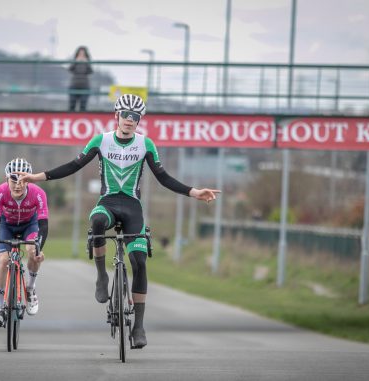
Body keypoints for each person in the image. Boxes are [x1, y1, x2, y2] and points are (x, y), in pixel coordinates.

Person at [17, 94, 221, 348]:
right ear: (117, 116)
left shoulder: (146, 144)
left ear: (139, 121)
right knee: (98, 221)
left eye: (135, 117)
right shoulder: (101, 141)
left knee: (139, 262)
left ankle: (138, 327)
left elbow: (164, 178)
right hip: (109, 203)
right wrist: (37, 177)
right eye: (125, 115)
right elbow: (73, 166)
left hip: (133, 208)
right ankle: (102, 276)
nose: (129, 120)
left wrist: (195, 192)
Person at [0, 158, 48, 327]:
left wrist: (39, 248)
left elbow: (43, 224)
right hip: (6, 226)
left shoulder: (38, 193)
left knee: (32, 251)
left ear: (29, 180)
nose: (18, 185)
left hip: (30, 225)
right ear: (7, 179)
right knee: (3, 259)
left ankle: (30, 288)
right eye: (14, 180)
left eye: (23, 180)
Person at [68, 46, 93, 112]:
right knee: (72, 105)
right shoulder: (75, 61)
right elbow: (70, 69)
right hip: (74, 85)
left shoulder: (87, 62)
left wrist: (86, 63)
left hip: (85, 85)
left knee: (83, 105)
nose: (81, 55)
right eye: (80, 53)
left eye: (83, 54)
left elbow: (90, 71)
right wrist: (76, 61)